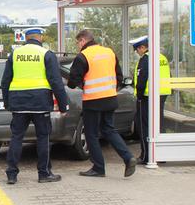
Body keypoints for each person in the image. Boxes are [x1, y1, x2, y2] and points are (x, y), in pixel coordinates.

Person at [1, 28, 69, 184]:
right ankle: (44, 173)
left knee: (16, 137)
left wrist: (7, 102)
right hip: (40, 102)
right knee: (43, 138)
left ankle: (11, 174)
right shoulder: (46, 54)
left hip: (18, 102)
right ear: (40, 37)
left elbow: (5, 81)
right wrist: (63, 105)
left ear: (26, 38)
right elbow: (56, 82)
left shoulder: (15, 55)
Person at [68, 29, 136, 178]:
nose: (78, 46)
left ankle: (98, 168)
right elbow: (118, 76)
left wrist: (82, 84)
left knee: (91, 134)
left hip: (92, 101)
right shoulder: (109, 53)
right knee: (109, 130)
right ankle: (128, 157)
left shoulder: (83, 56)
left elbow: (72, 81)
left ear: (83, 41)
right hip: (110, 98)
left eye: (78, 43)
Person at [129, 36, 172, 164]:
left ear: (143, 47)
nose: (137, 53)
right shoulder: (162, 57)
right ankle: (161, 155)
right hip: (162, 94)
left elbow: (141, 79)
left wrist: (139, 96)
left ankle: (146, 156)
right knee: (159, 124)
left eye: (137, 50)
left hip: (148, 97)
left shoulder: (146, 59)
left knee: (144, 125)